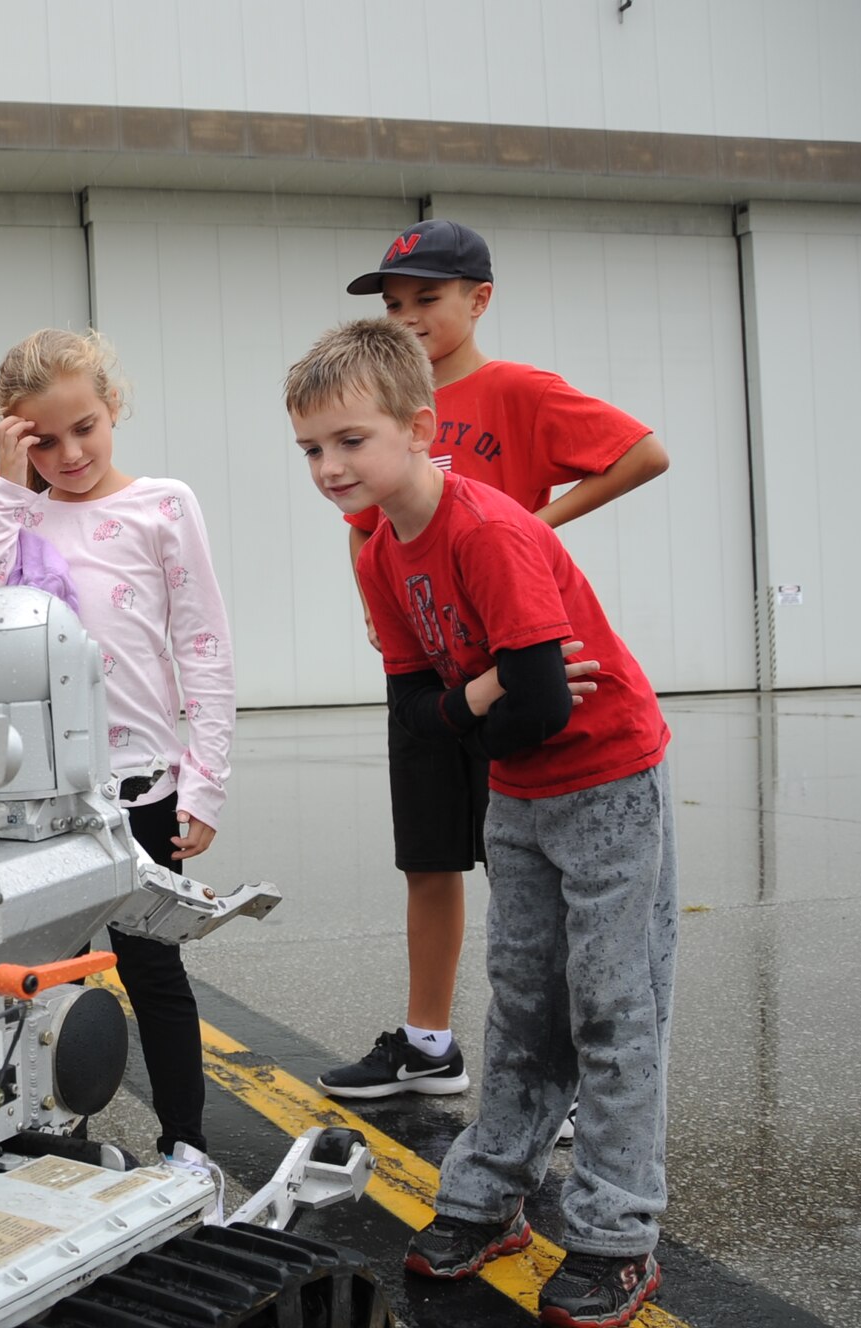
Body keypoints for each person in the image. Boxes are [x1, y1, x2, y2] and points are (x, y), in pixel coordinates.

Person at [288, 318, 674, 1327]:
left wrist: (473, 702)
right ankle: (486, 1192)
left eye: (349, 440)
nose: (329, 466)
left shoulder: (490, 528)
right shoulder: (378, 552)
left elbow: (542, 706)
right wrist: (478, 695)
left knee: (608, 1006)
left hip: (601, 780)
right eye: (310, 449)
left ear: (419, 428)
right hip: (518, 791)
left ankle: (615, 1228)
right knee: (519, 1007)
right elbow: (424, 712)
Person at [319, 220, 670, 1108]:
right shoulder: (369, 407)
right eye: (394, 306)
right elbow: (371, 533)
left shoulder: (514, 390)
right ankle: (430, 1043)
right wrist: (377, 603)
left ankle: (572, 1084)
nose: (409, 319)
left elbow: (643, 452)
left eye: (426, 300)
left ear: (478, 299)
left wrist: (533, 528)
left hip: (517, 647)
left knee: (544, 887)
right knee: (430, 853)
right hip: (435, 652)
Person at [0, 328, 234, 1187]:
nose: (71, 452)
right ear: (15, 437)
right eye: (45, 438)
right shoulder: (14, 513)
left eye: (86, 426)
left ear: (113, 407)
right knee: (28, 972)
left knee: (154, 968)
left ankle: (186, 1142)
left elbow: (203, 643)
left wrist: (207, 780)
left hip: (142, 786)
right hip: (39, 797)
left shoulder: (164, 505)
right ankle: (30, 1133)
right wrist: (9, 488)